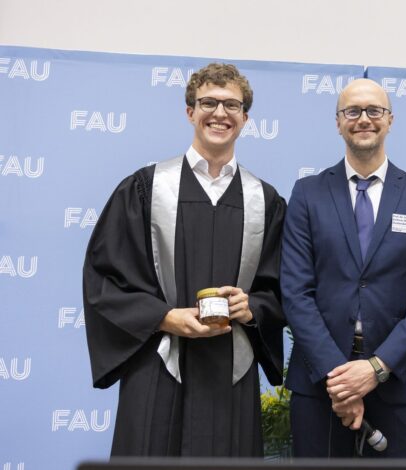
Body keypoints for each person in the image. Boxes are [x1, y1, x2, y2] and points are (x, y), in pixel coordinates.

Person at [83, 63, 286, 457]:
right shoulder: (146, 188)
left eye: (232, 105)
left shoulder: (265, 201)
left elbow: (282, 288)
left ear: (245, 118)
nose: (220, 113)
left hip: (230, 370)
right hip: (159, 366)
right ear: (190, 111)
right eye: (208, 102)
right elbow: (105, 279)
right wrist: (163, 317)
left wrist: (252, 308)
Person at [280, 78, 406, 458]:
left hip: (397, 385)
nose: (364, 119)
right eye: (352, 111)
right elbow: (295, 292)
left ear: (390, 120)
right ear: (338, 122)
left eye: (374, 110)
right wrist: (340, 379)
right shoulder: (307, 193)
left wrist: (375, 368)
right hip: (321, 385)